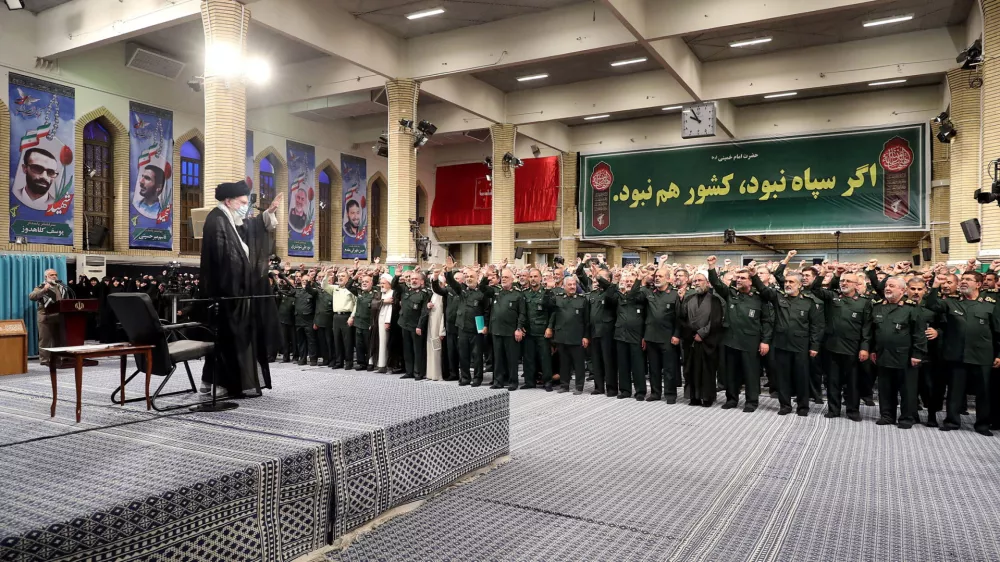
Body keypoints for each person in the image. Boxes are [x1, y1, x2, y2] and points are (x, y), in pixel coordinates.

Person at [198, 180, 263, 397]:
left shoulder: (226, 219)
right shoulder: (217, 220)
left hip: (230, 293)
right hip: (225, 294)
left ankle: (209, 382)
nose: (245, 207)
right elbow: (223, 259)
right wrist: (236, 285)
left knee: (225, 340)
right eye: (242, 203)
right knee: (225, 340)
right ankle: (221, 384)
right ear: (228, 201)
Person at [925, 269, 998, 435]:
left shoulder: (990, 305)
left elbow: (997, 332)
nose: (964, 281)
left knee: (983, 393)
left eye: (969, 279)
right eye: (963, 279)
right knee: (955, 391)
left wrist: (998, 354)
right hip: (956, 355)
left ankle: (982, 425)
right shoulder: (951, 303)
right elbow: (931, 304)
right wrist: (935, 285)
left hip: (982, 356)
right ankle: (952, 421)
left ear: (978, 284)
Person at [752, 267, 824, 416]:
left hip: (801, 345)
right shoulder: (779, 297)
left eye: (791, 282)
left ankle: (803, 406)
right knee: (782, 377)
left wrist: (815, 346)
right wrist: (754, 276)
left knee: (801, 377)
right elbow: (764, 290)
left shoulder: (809, 302)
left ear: (800, 285)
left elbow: (816, 326)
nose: (788, 284)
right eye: (786, 282)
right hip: (781, 345)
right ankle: (785, 405)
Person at [707, 257, 773, 412]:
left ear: (751, 281)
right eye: (737, 277)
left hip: (750, 342)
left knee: (751, 373)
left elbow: (767, 321)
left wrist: (765, 341)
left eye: (743, 278)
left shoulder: (759, 298)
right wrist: (711, 266)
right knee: (731, 373)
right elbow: (716, 283)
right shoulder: (730, 293)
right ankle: (731, 399)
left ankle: (751, 401)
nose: (738, 280)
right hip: (731, 340)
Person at [808, 266, 872, 421]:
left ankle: (852, 410)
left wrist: (864, 348)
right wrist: (825, 273)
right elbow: (815, 289)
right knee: (832, 381)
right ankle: (833, 409)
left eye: (848, 281)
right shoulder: (833, 297)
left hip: (852, 348)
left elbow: (867, 327)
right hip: (831, 346)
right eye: (842, 281)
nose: (844, 283)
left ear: (856, 285)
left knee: (852, 382)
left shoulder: (864, 302)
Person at [869, 276, 927, 429]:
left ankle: (907, 418)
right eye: (887, 286)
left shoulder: (911, 308)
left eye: (892, 286)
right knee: (885, 388)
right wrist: (873, 350)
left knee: (907, 389)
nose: (888, 288)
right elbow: (874, 331)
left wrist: (917, 354)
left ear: (902, 290)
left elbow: (919, 333)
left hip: (905, 356)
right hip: (883, 354)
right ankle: (887, 415)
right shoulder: (878, 307)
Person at [679, 272, 725, 407]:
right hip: (691, 340)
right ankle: (694, 397)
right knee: (691, 370)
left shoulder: (715, 300)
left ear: (708, 283)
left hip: (707, 340)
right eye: (695, 281)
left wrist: (702, 333)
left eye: (700, 280)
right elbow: (682, 317)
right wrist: (691, 333)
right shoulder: (688, 298)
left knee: (707, 370)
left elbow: (716, 320)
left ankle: (707, 397)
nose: (697, 283)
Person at [642, 265, 683, 403]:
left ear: (668, 279)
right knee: (653, 368)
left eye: (660, 276)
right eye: (656, 276)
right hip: (651, 336)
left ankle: (670, 394)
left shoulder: (674, 294)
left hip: (668, 336)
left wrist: (677, 334)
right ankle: (655, 393)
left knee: (669, 368)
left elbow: (679, 317)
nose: (657, 278)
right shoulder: (650, 293)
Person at [482, 266, 526, 391]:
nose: (504, 279)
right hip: (496, 330)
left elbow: (522, 313)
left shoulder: (518, 294)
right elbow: (482, 288)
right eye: (503, 277)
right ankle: (498, 381)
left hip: (511, 331)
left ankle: (513, 382)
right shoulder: (496, 291)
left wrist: (519, 328)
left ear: (512, 279)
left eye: (506, 277)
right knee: (498, 358)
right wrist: (485, 276)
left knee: (512, 359)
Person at [548, 275, 590, 394]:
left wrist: (586, 336)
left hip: (577, 337)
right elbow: (549, 308)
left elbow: (587, 321)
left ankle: (579, 386)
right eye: (570, 285)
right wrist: (549, 289)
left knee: (579, 364)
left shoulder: (582, 300)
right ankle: (564, 385)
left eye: (574, 284)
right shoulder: (558, 298)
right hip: (562, 336)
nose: (572, 287)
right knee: (564, 363)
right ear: (564, 286)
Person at [394, 270, 432, 380]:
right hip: (404, 324)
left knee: (418, 350)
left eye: (416, 279)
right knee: (407, 350)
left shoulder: (424, 293)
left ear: (421, 281)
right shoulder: (405, 290)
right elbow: (394, 286)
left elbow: (424, 311)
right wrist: (396, 276)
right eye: (412, 279)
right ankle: (409, 371)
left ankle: (418, 372)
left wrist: (420, 326)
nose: (413, 281)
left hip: (416, 326)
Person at [29, 269, 66, 366]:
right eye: (51, 275)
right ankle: (44, 360)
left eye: (55, 274)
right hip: (45, 316)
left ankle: (58, 358)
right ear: (46, 277)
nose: (54, 276)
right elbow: (32, 296)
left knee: (58, 339)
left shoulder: (61, 287)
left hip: (58, 316)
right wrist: (44, 290)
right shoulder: (41, 287)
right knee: (45, 339)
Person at [323, 270, 357, 369]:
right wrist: (327, 275)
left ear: (348, 278)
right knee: (337, 340)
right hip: (336, 317)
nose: (340, 278)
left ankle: (349, 362)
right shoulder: (335, 288)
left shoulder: (351, 289)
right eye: (339, 276)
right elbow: (324, 286)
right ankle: (339, 362)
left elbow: (356, 304)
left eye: (343, 276)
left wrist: (352, 316)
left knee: (347, 341)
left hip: (347, 316)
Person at [348, 271, 380, 372]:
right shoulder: (359, 292)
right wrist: (355, 277)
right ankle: (361, 363)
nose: (364, 283)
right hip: (359, 322)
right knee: (359, 345)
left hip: (368, 323)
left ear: (371, 283)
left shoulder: (375, 293)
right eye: (363, 282)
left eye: (367, 282)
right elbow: (348, 286)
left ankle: (370, 363)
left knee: (368, 344)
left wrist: (375, 275)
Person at [425, 269, 447, 381]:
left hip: (438, 328)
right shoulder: (432, 295)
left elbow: (443, 314)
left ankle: (437, 374)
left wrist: (442, 330)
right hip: (431, 326)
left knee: (437, 349)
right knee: (431, 348)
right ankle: (430, 373)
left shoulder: (443, 296)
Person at [375, 273, 395, 373]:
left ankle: (386, 365)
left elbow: (390, 309)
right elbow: (374, 304)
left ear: (389, 284)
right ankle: (380, 364)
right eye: (381, 283)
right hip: (379, 320)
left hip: (386, 321)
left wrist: (387, 321)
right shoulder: (381, 293)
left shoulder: (392, 293)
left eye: (384, 283)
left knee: (385, 343)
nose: (381, 285)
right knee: (380, 342)